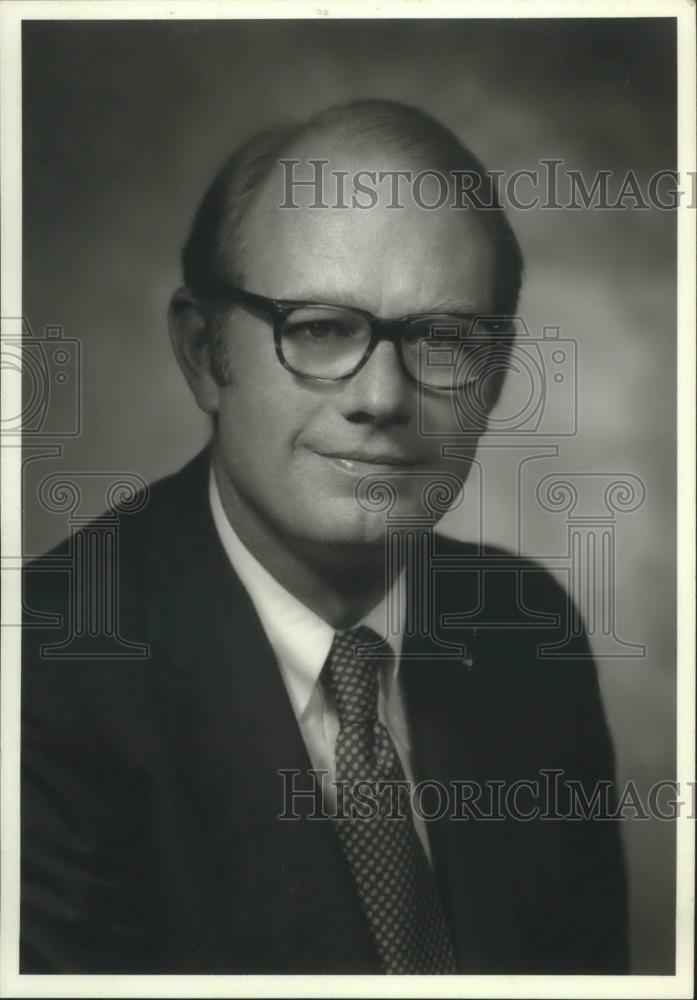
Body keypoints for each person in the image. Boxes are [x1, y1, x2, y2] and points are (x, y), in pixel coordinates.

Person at [20, 99, 629, 974]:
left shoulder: (527, 630)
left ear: (493, 382)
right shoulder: (43, 677)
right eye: (319, 329)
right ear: (203, 353)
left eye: (441, 339)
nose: (380, 397)